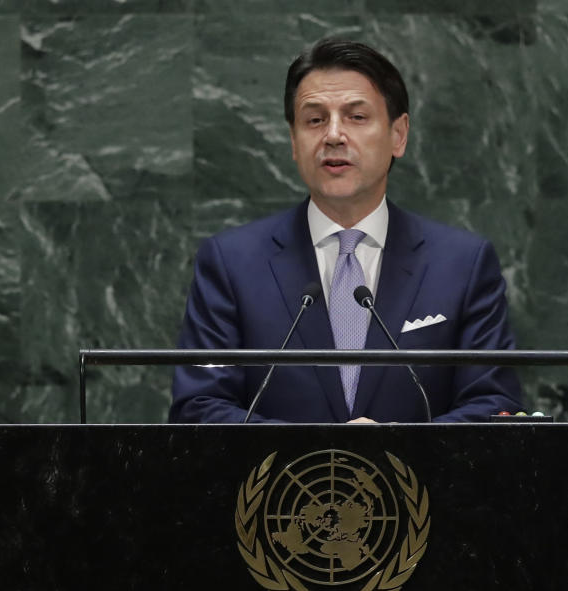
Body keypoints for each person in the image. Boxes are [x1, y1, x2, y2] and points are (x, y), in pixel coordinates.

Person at [169, 38, 522, 424]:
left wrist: (394, 449)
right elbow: (198, 410)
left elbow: (493, 406)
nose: (333, 135)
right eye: (315, 119)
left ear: (398, 135)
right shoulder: (230, 264)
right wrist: (326, 453)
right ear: (293, 139)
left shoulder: (463, 264)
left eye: (356, 116)